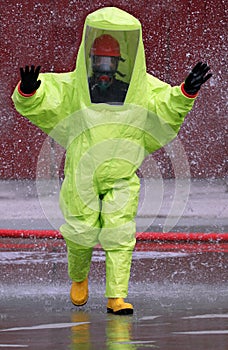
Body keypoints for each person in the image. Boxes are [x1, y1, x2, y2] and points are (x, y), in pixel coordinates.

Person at [12, 7, 212, 315]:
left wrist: (186, 92)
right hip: (82, 173)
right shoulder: (74, 89)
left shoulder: (141, 90)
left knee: (120, 233)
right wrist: (28, 91)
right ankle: (79, 279)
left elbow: (166, 107)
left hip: (122, 175)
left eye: (110, 61)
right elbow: (43, 103)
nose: (104, 68)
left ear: (120, 62)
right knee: (81, 231)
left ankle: (116, 296)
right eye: (100, 60)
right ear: (90, 59)